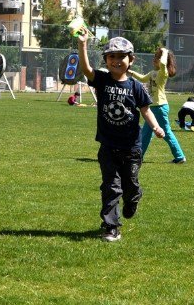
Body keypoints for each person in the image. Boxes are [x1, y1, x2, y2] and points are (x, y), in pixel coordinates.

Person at [76, 34, 164, 243]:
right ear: (106, 60)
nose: (116, 60)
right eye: (111, 56)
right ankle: (111, 226)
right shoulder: (103, 81)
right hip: (108, 146)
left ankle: (133, 197)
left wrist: (156, 127)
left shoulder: (136, 87)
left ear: (130, 60)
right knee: (111, 187)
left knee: (130, 185)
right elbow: (86, 70)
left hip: (131, 148)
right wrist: (82, 45)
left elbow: (145, 110)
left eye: (121, 56)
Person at [129, 47, 185, 163]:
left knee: (166, 133)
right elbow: (143, 78)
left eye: (156, 57)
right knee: (146, 133)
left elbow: (164, 63)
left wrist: (165, 52)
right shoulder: (152, 73)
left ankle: (180, 157)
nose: (154, 59)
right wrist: (130, 72)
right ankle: (138, 157)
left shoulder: (163, 73)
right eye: (154, 57)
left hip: (160, 107)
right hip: (153, 107)